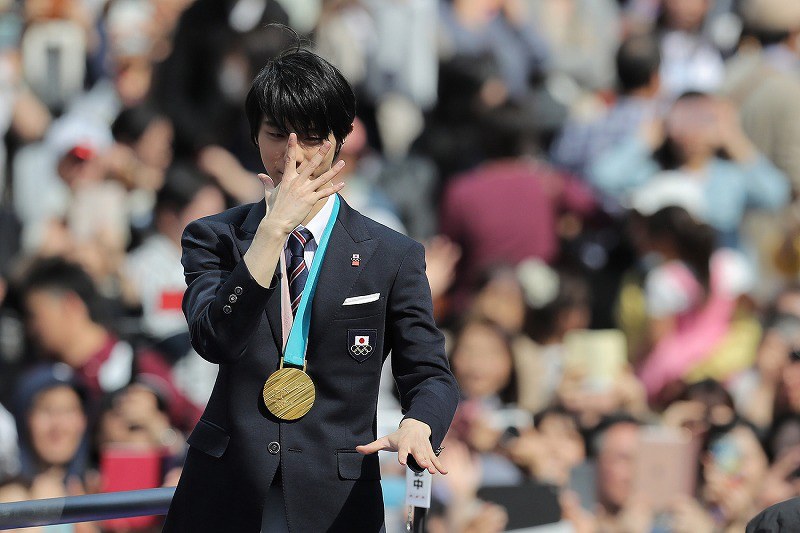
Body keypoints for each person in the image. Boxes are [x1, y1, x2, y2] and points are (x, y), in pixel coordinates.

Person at [162, 45, 459, 533]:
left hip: (335, 497)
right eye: (277, 135)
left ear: (342, 140)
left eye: (314, 139)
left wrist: (419, 423)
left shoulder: (392, 253)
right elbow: (215, 338)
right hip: (225, 490)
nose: (294, 156)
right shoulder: (213, 237)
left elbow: (429, 373)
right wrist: (271, 233)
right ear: (254, 135)